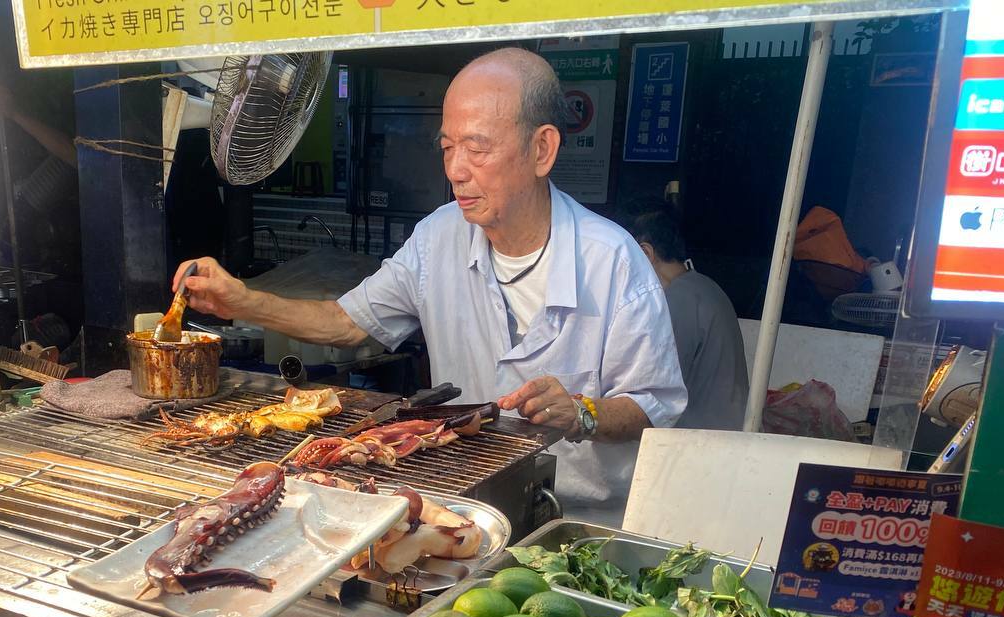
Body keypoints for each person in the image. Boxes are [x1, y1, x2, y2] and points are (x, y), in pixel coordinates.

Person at [172, 48, 685, 521]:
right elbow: (348, 323)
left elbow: (653, 406)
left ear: (542, 149)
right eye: (448, 148)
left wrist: (582, 414)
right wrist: (242, 299)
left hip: (575, 521)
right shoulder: (439, 235)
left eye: (477, 149)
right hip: (461, 506)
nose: (456, 171)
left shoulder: (613, 261)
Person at [625, 200, 749, 431]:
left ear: (645, 252)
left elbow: (654, 388)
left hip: (702, 440)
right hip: (728, 430)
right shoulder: (705, 286)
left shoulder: (677, 300)